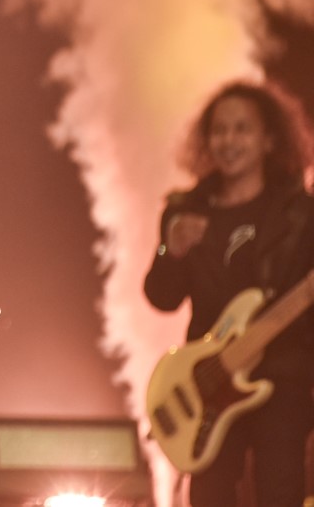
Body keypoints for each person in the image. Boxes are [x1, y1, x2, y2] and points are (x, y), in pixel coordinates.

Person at [144, 80, 314, 507]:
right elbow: (162, 297)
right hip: (206, 382)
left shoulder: (300, 212)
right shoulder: (184, 209)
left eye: (242, 129)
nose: (229, 140)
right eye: (219, 130)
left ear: (268, 139)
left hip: (281, 379)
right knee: (209, 496)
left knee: (280, 492)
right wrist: (170, 251)